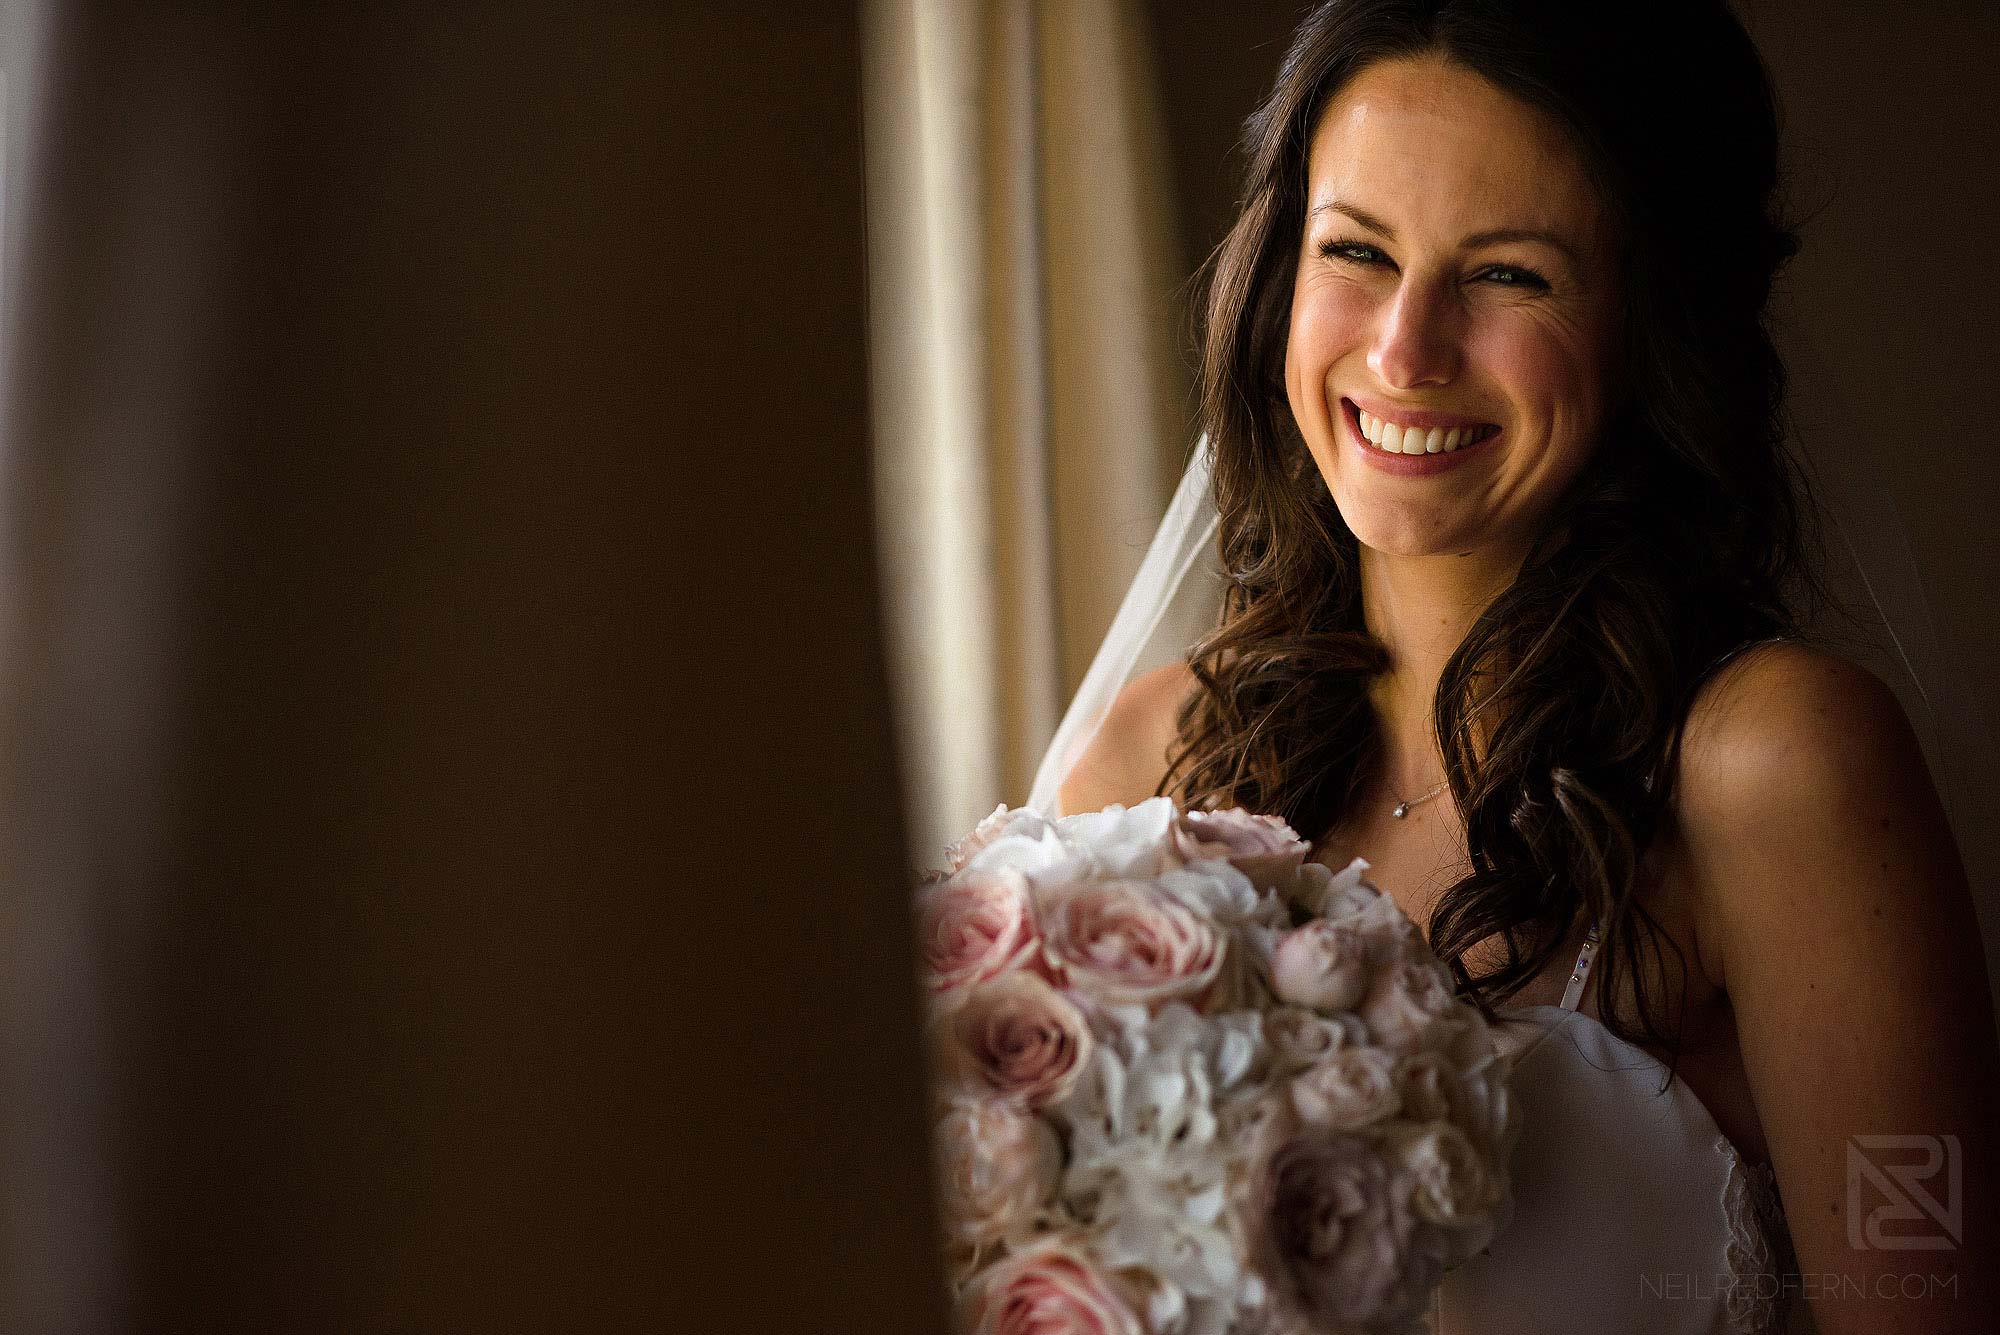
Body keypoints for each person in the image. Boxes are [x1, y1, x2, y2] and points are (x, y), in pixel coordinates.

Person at [1053, 2, 2000, 1331]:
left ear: (1653, 326)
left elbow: (1929, 1299)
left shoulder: (1775, 765)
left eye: (1511, 275)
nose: (1404, 350)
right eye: (1358, 253)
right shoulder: (1147, 767)